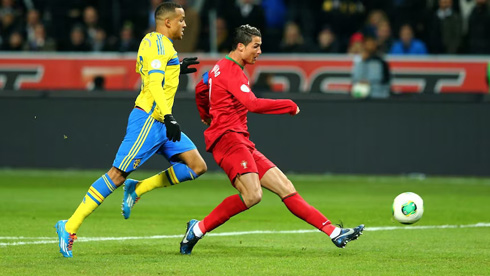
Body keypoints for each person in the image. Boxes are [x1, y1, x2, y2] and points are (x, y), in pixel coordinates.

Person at [181, 24, 364, 255]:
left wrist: (206, 115)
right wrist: (288, 105)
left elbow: (200, 87)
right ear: (240, 46)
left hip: (240, 141)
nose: (259, 51)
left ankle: (335, 233)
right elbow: (253, 104)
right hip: (228, 140)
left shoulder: (218, 68)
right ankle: (197, 229)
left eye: (260, 46)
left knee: (285, 187)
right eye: (255, 46)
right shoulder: (232, 71)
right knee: (253, 195)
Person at [55, 2, 204, 258]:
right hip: (150, 119)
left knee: (196, 165)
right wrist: (168, 116)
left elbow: (149, 73)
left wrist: (176, 68)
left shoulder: (157, 44)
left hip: (159, 121)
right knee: (116, 175)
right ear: (167, 22)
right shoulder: (158, 44)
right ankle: (68, 227)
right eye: (180, 20)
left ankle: (138, 189)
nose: (185, 24)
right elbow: (154, 82)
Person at [351, 34, 391, 99]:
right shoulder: (359, 62)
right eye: (367, 44)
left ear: (375, 45)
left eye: (372, 43)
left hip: (378, 96)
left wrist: (370, 84)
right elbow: (355, 79)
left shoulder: (381, 62)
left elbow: (385, 81)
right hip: (361, 97)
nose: (369, 46)